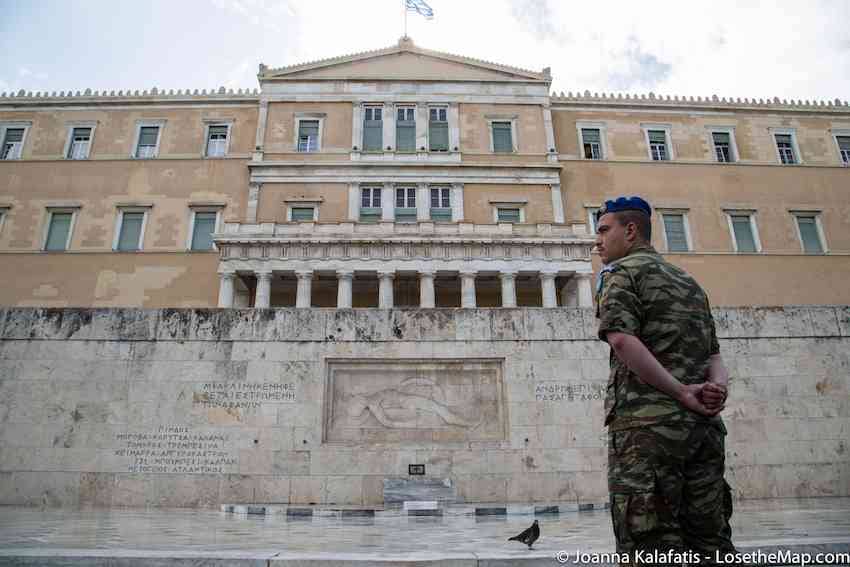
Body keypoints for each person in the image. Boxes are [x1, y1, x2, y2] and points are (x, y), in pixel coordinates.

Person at [594, 196, 736, 563]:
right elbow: (715, 356)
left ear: (630, 230)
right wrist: (716, 391)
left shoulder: (622, 275)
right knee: (711, 543)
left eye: (604, 230)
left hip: (648, 434)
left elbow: (623, 339)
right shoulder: (690, 283)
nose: (597, 240)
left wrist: (681, 392)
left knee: (651, 546)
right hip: (703, 433)